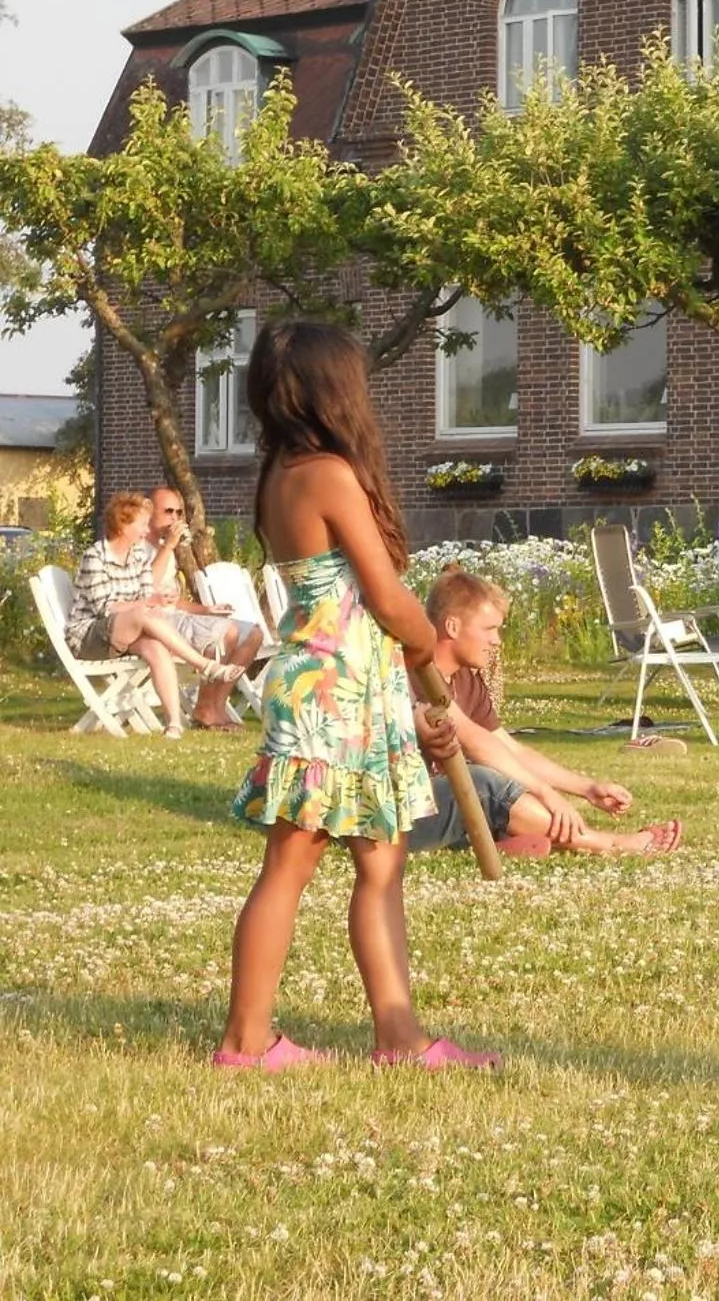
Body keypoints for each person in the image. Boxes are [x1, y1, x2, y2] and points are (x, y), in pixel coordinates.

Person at [214, 319, 495, 1072]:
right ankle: (246, 1044)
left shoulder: (281, 472)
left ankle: (399, 1039)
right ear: (334, 391)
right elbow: (387, 597)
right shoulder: (328, 474)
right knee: (293, 862)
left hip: (346, 690)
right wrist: (425, 640)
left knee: (380, 863)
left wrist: (404, 676)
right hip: (328, 695)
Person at [407, 567, 682, 856]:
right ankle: (610, 843)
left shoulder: (467, 679)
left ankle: (498, 842)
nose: (497, 641)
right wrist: (544, 792)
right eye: (489, 629)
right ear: (452, 627)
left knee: (499, 783)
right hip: (404, 818)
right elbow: (476, 742)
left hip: (438, 807)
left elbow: (510, 749)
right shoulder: (416, 674)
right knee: (484, 784)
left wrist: (587, 788)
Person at [65, 490, 245, 739]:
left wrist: (158, 600)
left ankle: (173, 725)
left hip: (126, 631)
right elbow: (106, 608)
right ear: (122, 524)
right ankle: (204, 664)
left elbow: (146, 594)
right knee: (143, 613)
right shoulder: (96, 557)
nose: (144, 530)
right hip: (91, 637)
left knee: (156, 648)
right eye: (140, 524)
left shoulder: (137, 555)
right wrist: (146, 603)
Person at [144, 485, 266, 729]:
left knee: (253, 633)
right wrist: (169, 546)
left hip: (177, 619)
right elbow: (146, 588)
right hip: (154, 625)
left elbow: (173, 601)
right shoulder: (140, 547)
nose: (175, 518)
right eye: (169, 511)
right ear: (149, 512)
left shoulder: (162, 547)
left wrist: (207, 610)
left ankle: (215, 705)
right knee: (225, 632)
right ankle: (205, 710)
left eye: (179, 513)